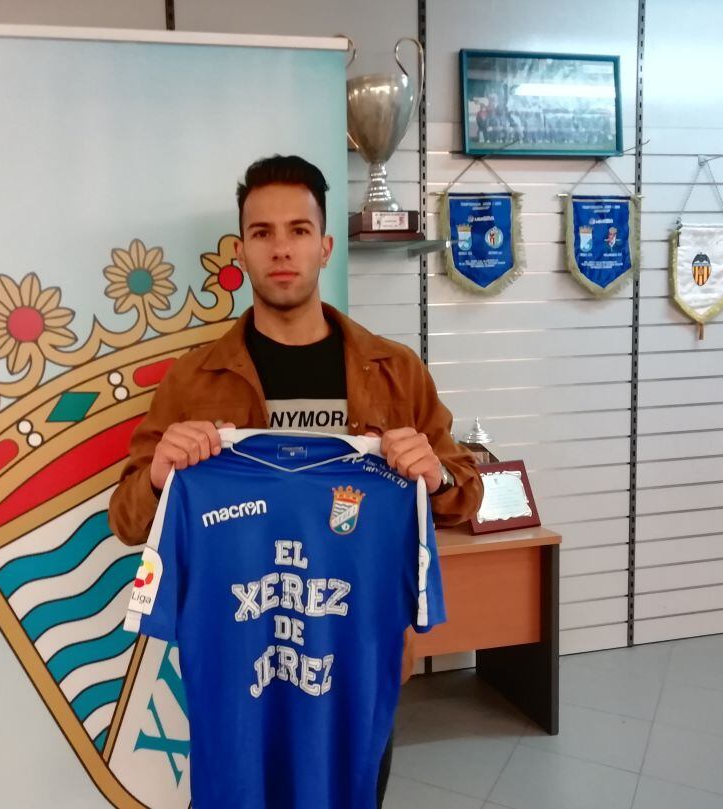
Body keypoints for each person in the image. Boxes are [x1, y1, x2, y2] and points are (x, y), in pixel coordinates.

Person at [108, 154, 482, 807]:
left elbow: (466, 494)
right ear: (243, 249)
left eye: (298, 230)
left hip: (352, 665)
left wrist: (439, 474)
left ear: (325, 245)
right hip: (241, 665)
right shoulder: (194, 381)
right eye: (262, 233)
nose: (281, 248)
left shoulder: (395, 370)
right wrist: (163, 472)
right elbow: (129, 521)